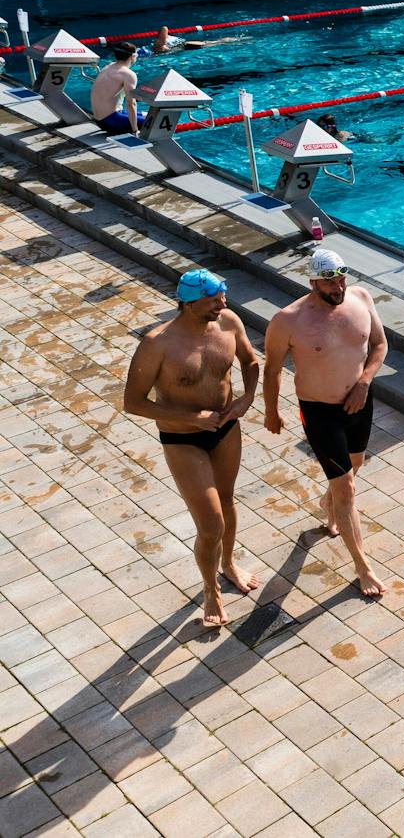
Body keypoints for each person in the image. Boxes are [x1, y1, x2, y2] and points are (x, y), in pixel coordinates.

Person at [122, 268, 262, 628]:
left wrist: (246, 399)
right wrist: (194, 419)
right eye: (213, 300)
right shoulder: (158, 343)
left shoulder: (229, 322)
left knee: (228, 502)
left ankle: (228, 563)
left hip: (226, 429)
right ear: (188, 302)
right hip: (183, 437)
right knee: (210, 522)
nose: (222, 304)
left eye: (222, 297)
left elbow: (250, 361)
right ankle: (210, 588)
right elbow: (133, 402)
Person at [264, 249, 388, 599]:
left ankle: (328, 502)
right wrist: (271, 411)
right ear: (313, 281)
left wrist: (364, 382)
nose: (338, 287)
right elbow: (272, 370)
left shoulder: (361, 299)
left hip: (359, 402)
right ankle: (362, 567)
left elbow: (379, 345)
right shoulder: (287, 320)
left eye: (342, 278)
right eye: (330, 282)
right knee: (347, 488)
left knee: (355, 466)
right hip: (319, 410)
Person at [90, 42, 143, 134]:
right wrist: (135, 130)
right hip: (111, 121)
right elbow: (131, 104)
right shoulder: (128, 74)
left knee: (149, 114)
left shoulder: (108, 67)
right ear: (132, 56)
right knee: (153, 121)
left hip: (99, 120)